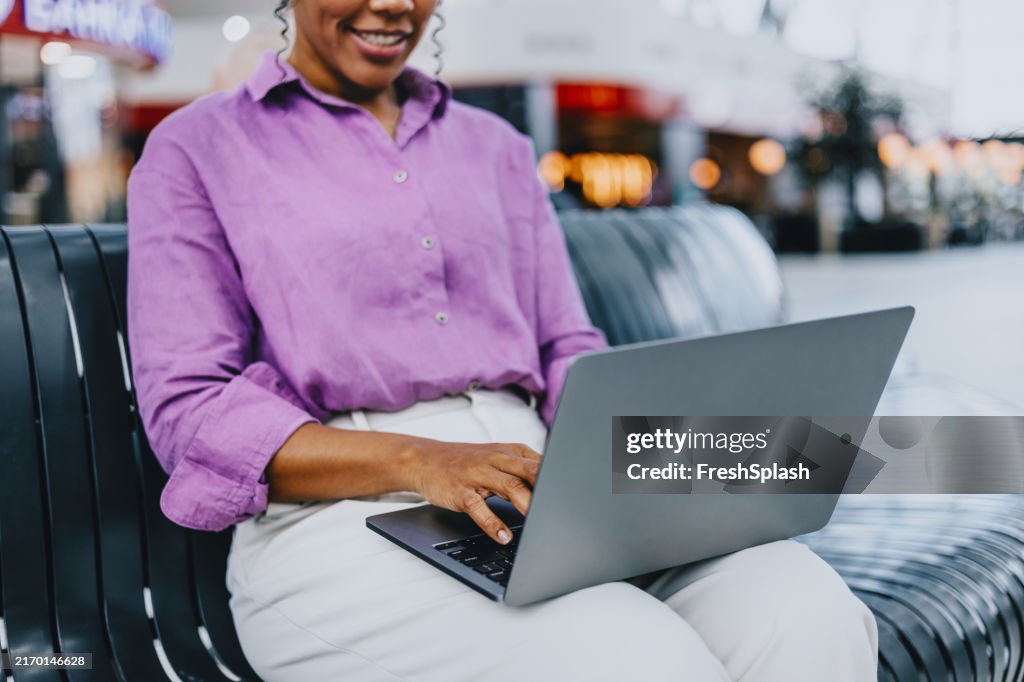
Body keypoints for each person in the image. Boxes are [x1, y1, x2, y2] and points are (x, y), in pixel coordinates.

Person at [126, 1, 878, 679]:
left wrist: (648, 451)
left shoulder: (495, 148)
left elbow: (565, 345)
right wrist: (423, 460)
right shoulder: (198, 147)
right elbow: (189, 411)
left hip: (543, 484)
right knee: (638, 660)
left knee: (810, 614)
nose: (392, 6)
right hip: (339, 514)